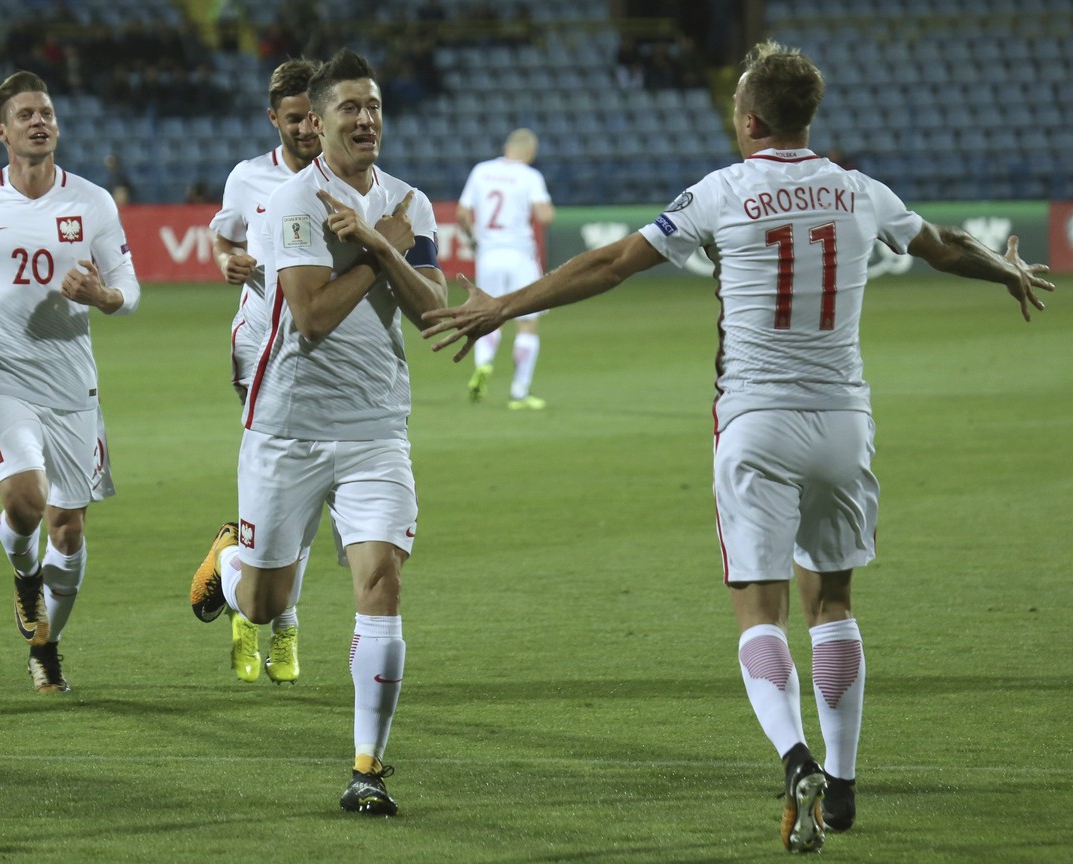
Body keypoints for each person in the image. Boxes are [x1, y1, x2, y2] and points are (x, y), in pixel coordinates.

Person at [423, 40, 1052, 853]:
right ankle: (847, 779)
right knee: (833, 605)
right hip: (842, 420)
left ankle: (795, 758)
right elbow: (940, 245)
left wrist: (504, 307)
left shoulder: (722, 192)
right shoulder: (861, 191)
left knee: (761, 609)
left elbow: (614, 263)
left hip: (756, 420)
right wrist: (1004, 273)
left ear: (749, 118)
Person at [189, 48, 446, 816]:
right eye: (348, 110)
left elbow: (434, 308)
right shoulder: (292, 203)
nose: (364, 119)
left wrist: (375, 239)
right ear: (319, 123)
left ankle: (367, 768)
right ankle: (230, 560)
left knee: (382, 579)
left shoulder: (409, 202)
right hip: (287, 428)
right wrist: (380, 246)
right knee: (265, 605)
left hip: (375, 429)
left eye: (373, 107)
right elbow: (311, 317)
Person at [0, 70, 141, 694]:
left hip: (72, 388)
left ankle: (48, 644)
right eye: (26, 115)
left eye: (47, 113)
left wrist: (104, 296)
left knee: (67, 530)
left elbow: (132, 288)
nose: (39, 122)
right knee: (25, 502)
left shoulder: (92, 202)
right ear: (2, 131)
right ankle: (23, 576)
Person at [202, 56, 321, 686]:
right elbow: (223, 239)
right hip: (261, 341)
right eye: (295, 117)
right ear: (273, 118)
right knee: (279, 477)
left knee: (306, 492)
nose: (307, 128)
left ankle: (248, 580)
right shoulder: (248, 179)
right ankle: (270, 620)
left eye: (314, 116)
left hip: (325, 348)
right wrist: (227, 260)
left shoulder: (346, 178)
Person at [456, 127, 555, 408]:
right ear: (530, 152)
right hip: (520, 256)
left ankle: (484, 363)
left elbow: (463, 214)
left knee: (488, 316)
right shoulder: (530, 176)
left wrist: (475, 240)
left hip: (488, 255)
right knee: (527, 323)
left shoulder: (481, 171)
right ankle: (519, 393)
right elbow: (544, 216)